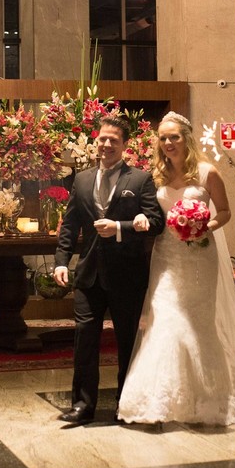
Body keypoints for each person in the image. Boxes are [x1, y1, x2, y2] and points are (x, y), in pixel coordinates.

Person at [117, 111, 235, 425]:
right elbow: (151, 212)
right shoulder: (156, 176)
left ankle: (206, 398)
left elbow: (225, 212)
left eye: (173, 136)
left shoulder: (207, 172)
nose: (168, 143)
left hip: (200, 256)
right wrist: (141, 218)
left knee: (198, 324)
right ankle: (161, 401)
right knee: (165, 320)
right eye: (163, 138)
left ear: (186, 138)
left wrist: (203, 227)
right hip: (167, 257)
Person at [54, 116, 164, 424]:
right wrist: (61, 261)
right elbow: (70, 225)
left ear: (124, 145)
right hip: (89, 272)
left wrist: (120, 227)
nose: (106, 144)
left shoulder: (140, 179)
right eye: (102, 138)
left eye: (113, 140)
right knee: (84, 338)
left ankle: (125, 403)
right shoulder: (82, 180)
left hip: (127, 274)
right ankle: (82, 405)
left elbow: (156, 222)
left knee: (128, 341)